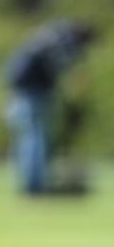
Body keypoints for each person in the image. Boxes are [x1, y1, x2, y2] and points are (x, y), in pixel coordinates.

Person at [4, 19, 96, 196]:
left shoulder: (52, 32)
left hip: (21, 87)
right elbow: (62, 64)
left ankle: (32, 182)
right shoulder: (64, 40)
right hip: (34, 90)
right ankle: (34, 185)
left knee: (28, 136)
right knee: (36, 136)